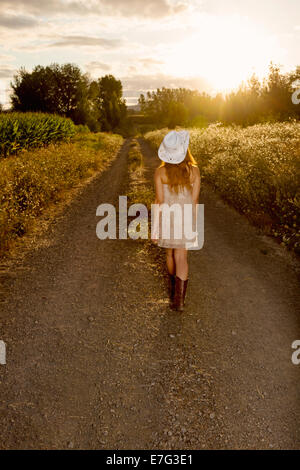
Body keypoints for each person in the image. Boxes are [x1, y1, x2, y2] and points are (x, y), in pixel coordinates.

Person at [151, 130, 201, 311]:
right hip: (186, 217)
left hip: (167, 217)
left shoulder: (160, 172)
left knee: (169, 255)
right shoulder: (194, 171)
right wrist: (193, 223)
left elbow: (159, 201)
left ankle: (173, 290)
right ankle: (179, 301)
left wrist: (154, 228)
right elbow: (195, 201)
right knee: (182, 256)